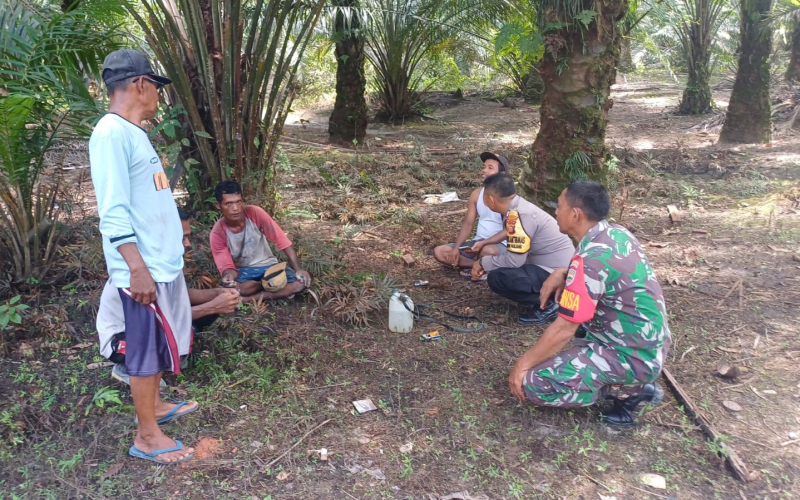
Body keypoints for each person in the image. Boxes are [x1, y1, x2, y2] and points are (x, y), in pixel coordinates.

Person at [89, 49, 194, 464]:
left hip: (157, 262)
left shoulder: (132, 133)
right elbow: (112, 211)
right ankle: (147, 436)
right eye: (155, 88)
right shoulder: (112, 134)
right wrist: (136, 268)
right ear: (139, 84)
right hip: (142, 268)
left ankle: (156, 410)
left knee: (155, 345)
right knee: (144, 351)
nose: (157, 98)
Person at [507, 180, 672, 426]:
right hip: (650, 344)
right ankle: (627, 380)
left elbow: (564, 329)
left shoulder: (591, 260)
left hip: (632, 354)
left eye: (559, 206)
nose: (555, 211)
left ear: (575, 214)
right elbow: (604, 272)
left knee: (534, 383)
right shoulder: (615, 233)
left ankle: (631, 392)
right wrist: (563, 272)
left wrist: (521, 365)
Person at [98, 208, 241, 386]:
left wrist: (218, 294)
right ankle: (127, 368)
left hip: (154, 324)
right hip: (122, 339)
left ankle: (171, 355)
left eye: (188, 237)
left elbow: (180, 296)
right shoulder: (142, 272)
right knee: (208, 309)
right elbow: (161, 319)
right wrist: (214, 306)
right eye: (182, 238)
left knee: (210, 307)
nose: (188, 244)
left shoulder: (168, 262)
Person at [470, 174, 575, 325]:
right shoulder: (518, 208)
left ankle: (552, 303)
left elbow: (514, 260)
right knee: (501, 268)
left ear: (490, 199)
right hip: (549, 266)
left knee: (497, 278)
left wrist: (482, 263)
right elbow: (513, 242)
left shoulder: (520, 215)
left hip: (558, 274)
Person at [210, 180, 312, 301]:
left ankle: (249, 297)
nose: (236, 208)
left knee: (301, 283)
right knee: (230, 290)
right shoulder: (217, 233)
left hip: (269, 266)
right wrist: (228, 277)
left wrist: (298, 269)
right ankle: (268, 285)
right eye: (229, 204)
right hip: (244, 271)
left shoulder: (255, 213)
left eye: (239, 202)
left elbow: (282, 241)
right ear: (218, 205)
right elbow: (228, 267)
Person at [433, 152, 509, 281]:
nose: (484, 170)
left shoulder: (508, 196)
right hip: (477, 243)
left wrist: (485, 243)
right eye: (484, 167)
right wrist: (456, 248)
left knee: (488, 251)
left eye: (490, 168)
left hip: (498, 245)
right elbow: (468, 224)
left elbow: (508, 231)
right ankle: (477, 266)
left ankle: (483, 265)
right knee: (439, 252)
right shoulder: (477, 194)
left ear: (502, 174)